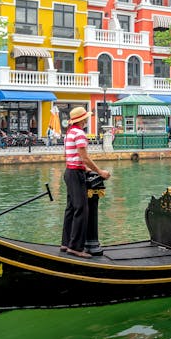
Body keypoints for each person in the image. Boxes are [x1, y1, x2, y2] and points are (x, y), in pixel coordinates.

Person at [61, 106, 110, 258]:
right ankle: (75, 247)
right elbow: (84, 157)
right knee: (81, 209)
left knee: (71, 209)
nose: (87, 119)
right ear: (82, 120)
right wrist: (100, 171)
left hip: (69, 171)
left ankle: (66, 242)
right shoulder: (80, 134)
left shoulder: (69, 133)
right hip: (75, 174)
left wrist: (85, 169)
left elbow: (69, 156)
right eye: (86, 117)